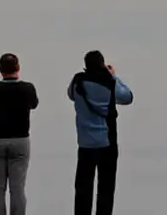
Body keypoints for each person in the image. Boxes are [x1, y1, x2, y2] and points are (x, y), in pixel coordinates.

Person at [68, 50, 135, 215]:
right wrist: (113, 76)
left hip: (84, 143)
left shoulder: (78, 81)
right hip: (107, 142)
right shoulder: (109, 82)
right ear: (102, 64)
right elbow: (128, 97)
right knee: (105, 188)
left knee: (83, 189)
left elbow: (71, 95)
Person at [0, 53, 39, 215]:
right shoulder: (27, 88)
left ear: (0, 70)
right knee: (17, 188)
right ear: (18, 67)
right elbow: (34, 104)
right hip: (20, 140)